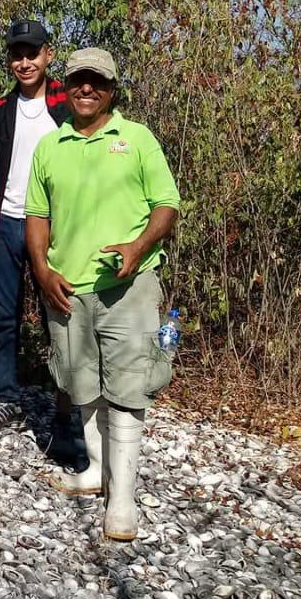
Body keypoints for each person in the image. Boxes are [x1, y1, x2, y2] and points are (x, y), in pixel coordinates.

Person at [26, 47, 180, 541]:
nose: (87, 89)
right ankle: (96, 470)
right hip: (67, 287)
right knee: (81, 381)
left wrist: (137, 247)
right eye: (78, 81)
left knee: (128, 386)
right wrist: (41, 270)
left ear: (113, 88)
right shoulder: (51, 145)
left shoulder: (137, 139)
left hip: (128, 288)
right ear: (66, 87)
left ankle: (124, 499)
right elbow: (36, 215)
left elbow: (167, 206)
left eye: (97, 81)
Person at [0, 20, 82, 462]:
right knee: (5, 316)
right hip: (4, 222)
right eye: (17, 55)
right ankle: (6, 398)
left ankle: (68, 406)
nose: (24, 62)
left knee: (59, 317)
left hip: (54, 227)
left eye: (32, 53)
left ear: (48, 55)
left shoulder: (68, 107)